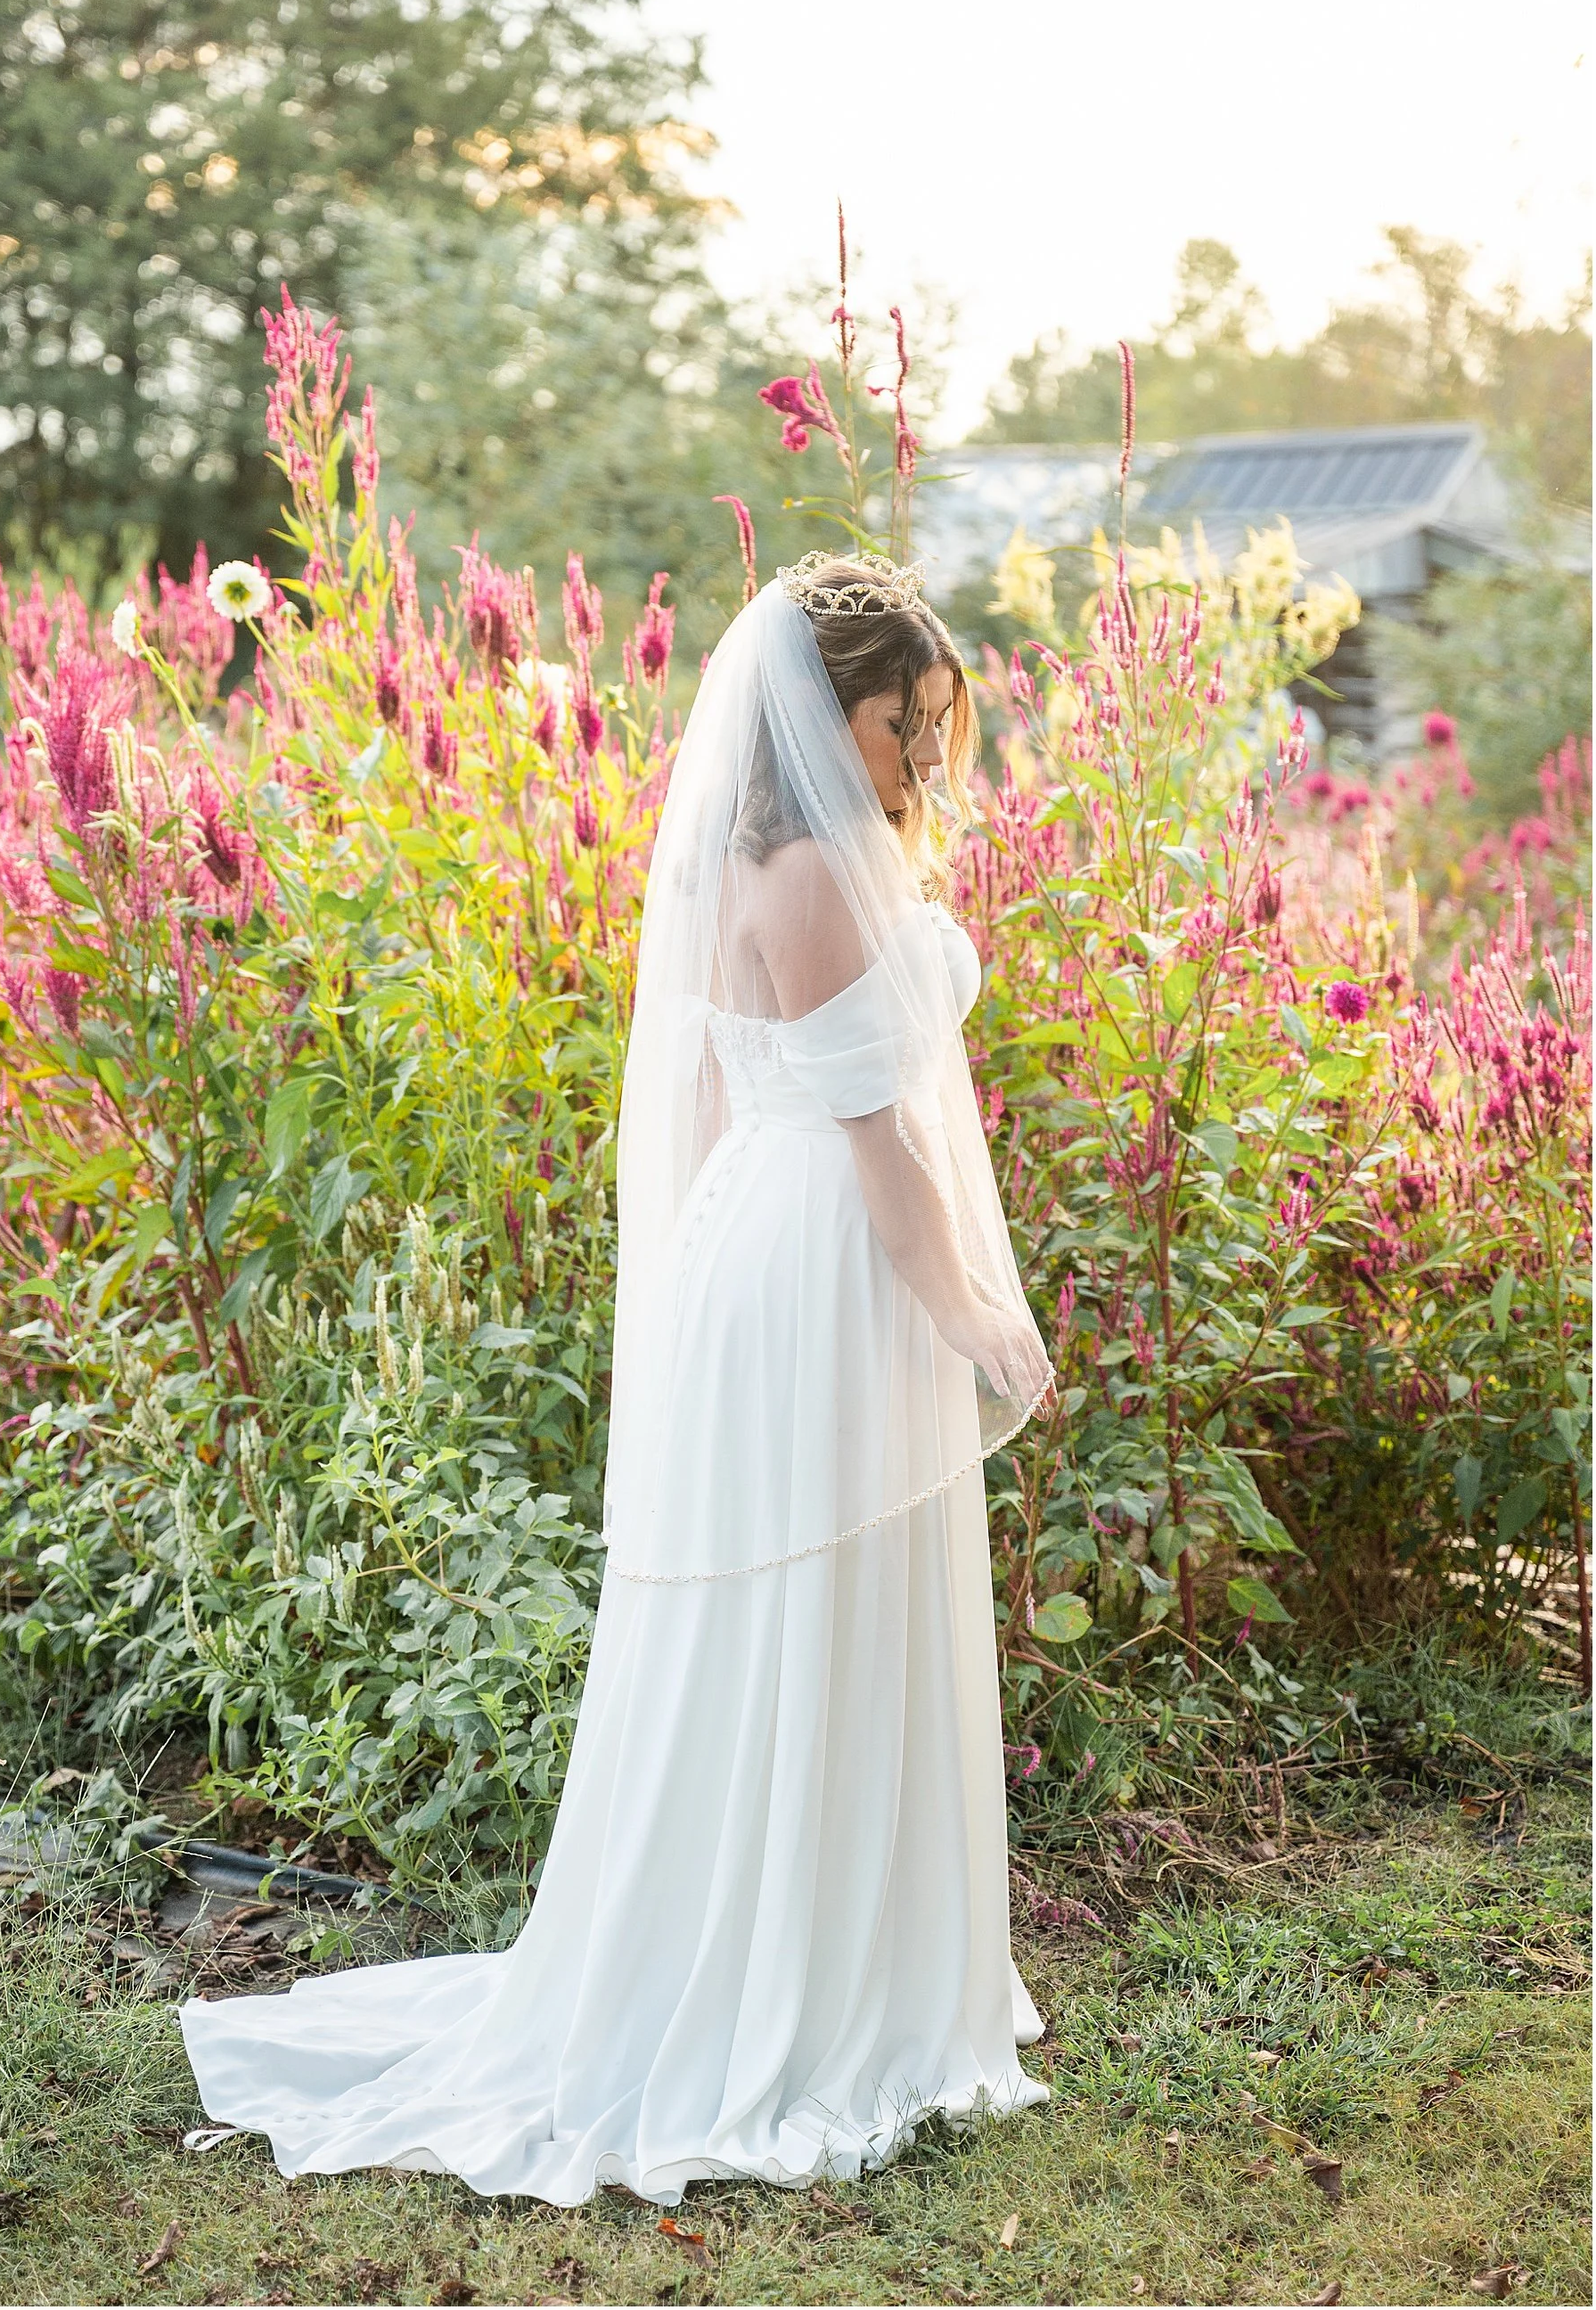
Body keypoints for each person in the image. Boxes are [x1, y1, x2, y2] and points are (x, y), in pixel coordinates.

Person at [180, 553, 1056, 2207]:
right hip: (824, 1260)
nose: (923, 758)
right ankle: (801, 1997)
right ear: (827, 714)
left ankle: (834, 1965)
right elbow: (877, 1143)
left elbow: (725, 1097)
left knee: (809, 1613)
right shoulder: (813, 869)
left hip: (768, 1248)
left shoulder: (772, 856)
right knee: (810, 1609)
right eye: (901, 724)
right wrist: (972, 1315)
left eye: (935, 726)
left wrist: (717, 1278)